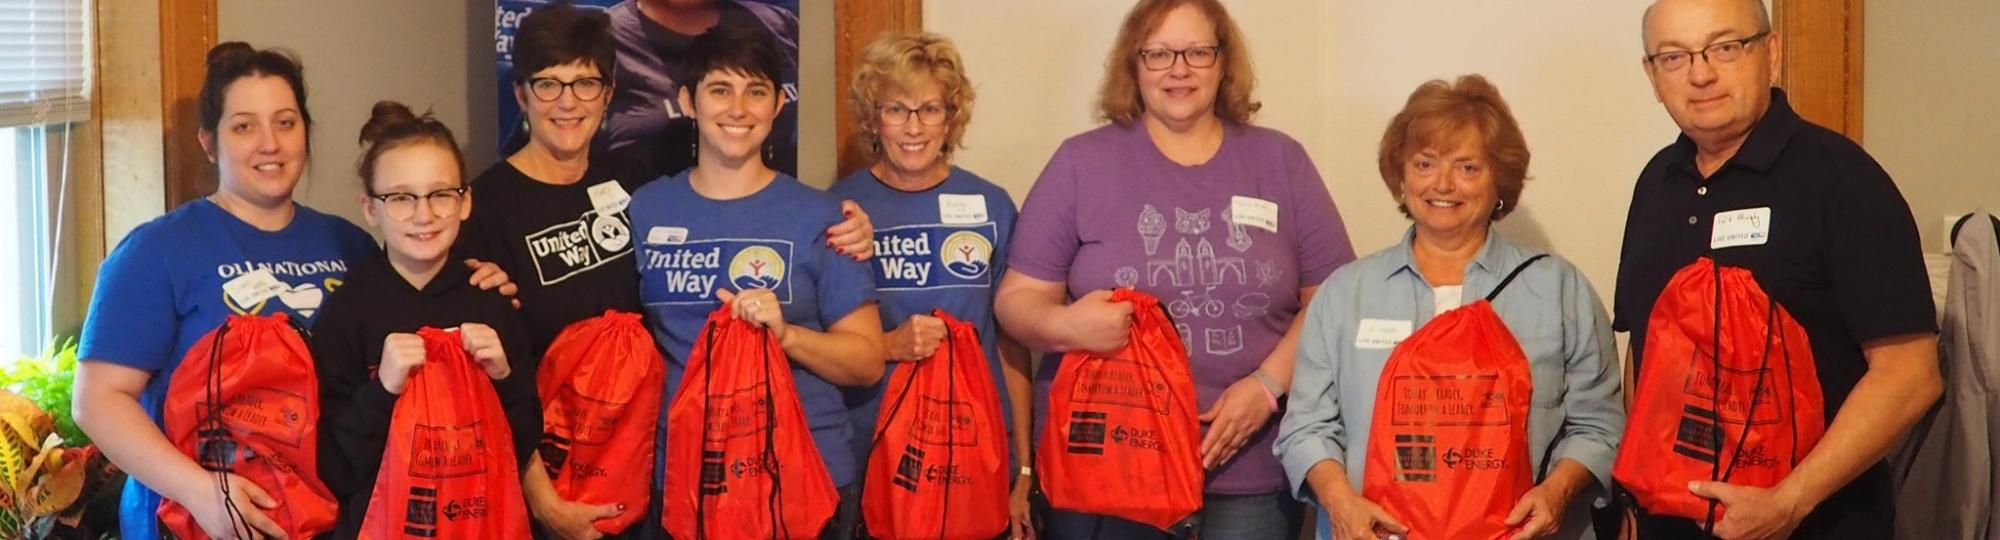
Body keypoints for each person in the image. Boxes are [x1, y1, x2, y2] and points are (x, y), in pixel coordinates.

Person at [459, 6, 873, 537]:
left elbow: (864, 358)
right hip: (650, 476)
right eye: (548, 84)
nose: (568, 102)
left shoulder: (636, 190)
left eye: (585, 83)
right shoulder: (497, 209)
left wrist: (793, 324)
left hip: (795, 474)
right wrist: (543, 499)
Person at [71, 42, 513, 540]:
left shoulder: (349, 243)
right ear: (209, 142)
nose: (269, 143)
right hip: (201, 521)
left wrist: (476, 283)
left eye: (285, 122)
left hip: (327, 516)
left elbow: (404, 326)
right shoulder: (157, 251)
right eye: (244, 126)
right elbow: (97, 400)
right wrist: (199, 490)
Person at [993, 0, 1356, 537]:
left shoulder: (1280, 161)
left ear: (1223, 62)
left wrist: (1265, 387)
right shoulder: (1081, 163)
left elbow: (1333, 296)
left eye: (1197, 52)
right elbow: (1014, 301)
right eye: (1158, 53)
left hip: (1248, 467)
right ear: (1133, 66)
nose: (1178, 69)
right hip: (1109, 467)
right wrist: (1066, 326)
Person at [1614, 1, 1942, 538]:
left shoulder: (1844, 181)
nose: (1700, 74)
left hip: (1815, 521)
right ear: (1652, 76)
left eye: (1725, 47)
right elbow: (1645, 351)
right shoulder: (1656, 184)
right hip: (1670, 519)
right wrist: (1633, 494)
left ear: (1771, 53)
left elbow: (1910, 376)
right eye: (1673, 57)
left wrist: (1789, 502)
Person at [1273, 75, 1624, 540]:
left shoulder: (1558, 290)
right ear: (1400, 176)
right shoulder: (1345, 293)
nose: (1443, 184)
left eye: (1467, 167)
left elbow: (1599, 423)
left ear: (1500, 179)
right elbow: (1305, 427)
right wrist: (1340, 503)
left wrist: (1558, 492)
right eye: (1424, 163)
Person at [627, 23, 885, 540]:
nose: (739, 109)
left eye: (757, 91)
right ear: (687, 102)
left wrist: (786, 334)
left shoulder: (822, 215)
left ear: (777, 105)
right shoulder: (646, 208)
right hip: (687, 480)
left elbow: (866, 360)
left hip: (803, 479)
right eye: (720, 89)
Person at [828, 32, 1036, 539]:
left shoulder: (992, 207)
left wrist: (1023, 469)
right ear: (874, 119)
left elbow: (1010, 343)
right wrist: (887, 346)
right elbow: (818, 343)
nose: (914, 127)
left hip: (975, 456)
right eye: (896, 109)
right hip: (872, 458)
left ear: (952, 117)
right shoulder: (839, 208)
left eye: (930, 109)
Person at [312, 102, 542, 539]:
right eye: (400, 198)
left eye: (440, 194)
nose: (423, 214)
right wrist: (383, 391)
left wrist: (505, 378)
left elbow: (523, 443)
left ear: (465, 201)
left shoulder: (491, 301)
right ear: (370, 209)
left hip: (478, 525)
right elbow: (334, 468)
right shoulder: (348, 311)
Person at [604, 0, 800, 179]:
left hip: (787, 207)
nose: (738, 110)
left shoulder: (782, 25)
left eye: (756, 92)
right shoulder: (603, 40)